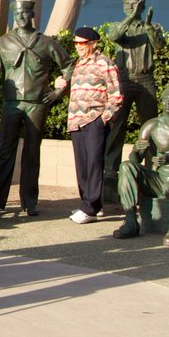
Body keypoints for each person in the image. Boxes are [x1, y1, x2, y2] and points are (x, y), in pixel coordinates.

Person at [0, 0, 73, 217]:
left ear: (32, 13)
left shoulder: (45, 42)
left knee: (32, 153)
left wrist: (58, 92)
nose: (22, 16)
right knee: (5, 151)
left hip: (37, 104)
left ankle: (30, 201)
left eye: (26, 12)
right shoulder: (4, 42)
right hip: (11, 103)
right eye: (18, 13)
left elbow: (69, 65)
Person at [113, 87, 169, 247]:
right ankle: (130, 220)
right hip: (159, 181)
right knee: (127, 167)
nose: (167, 103)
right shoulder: (151, 126)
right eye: (164, 99)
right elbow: (135, 160)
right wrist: (136, 150)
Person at [55, 27, 123, 224]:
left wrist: (104, 118)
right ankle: (90, 203)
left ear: (93, 44)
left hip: (94, 119)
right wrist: (62, 85)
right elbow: (77, 92)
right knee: (83, 165)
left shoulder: (105, 63)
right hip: (76, 121)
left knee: (94, 163)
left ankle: (90, 208)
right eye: (75, 43)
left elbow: (116, 94)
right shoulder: (78, 65)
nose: (78, 47)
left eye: (82, 43)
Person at [105, 0, 165, 184]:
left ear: (143, 6)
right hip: (124, 79)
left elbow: (160, 46)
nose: (132, 8)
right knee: (117, 127)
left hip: (146, 79)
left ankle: (152, 172)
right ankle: (110, 172)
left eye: (135, 5)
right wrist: (131, 18)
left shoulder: (151, 27)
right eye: (129, 6)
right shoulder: (118, 26)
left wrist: (148, 26)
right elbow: (114, 36)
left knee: (151, 126)